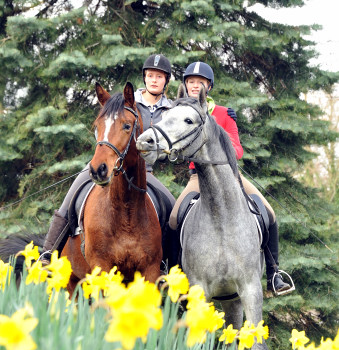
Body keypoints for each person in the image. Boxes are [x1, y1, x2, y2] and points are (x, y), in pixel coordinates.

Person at [169, 61, 294, 295]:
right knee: (175, 218)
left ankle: (274, 273)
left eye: (200, 82)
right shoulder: (181, 113)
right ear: (185, 86)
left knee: (269, 213)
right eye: (191, 82)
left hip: (230, 176)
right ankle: (175, 273)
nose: (195, 86)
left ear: (209, 86)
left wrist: (219, 140)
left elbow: (238, 150)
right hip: (198, 177)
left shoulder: (224, 114)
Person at [40, 54, 175, 265]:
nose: (154, 80)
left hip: (143, 171)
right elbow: (106, 128)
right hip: (110, 159)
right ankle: (48, 252)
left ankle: (168, 263)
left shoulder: (171, 111)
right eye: (150, 75)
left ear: (166, 80)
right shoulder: (126, 101)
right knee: (73, 195)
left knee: (172, 207)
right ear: (145, 77)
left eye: (159, 76)